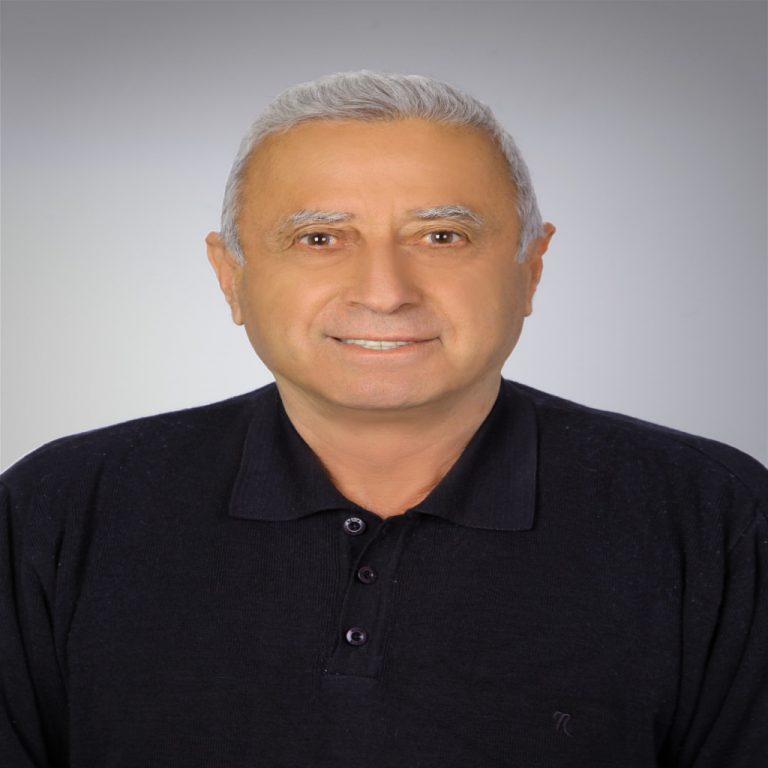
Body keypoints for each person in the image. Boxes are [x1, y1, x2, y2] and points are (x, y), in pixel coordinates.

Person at [1, 70, 766, 768]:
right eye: (320, 238)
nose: (385, 291)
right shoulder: (59, 511)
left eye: (442, 237)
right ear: (231, 276)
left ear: (531, 268)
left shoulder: (713, 518)